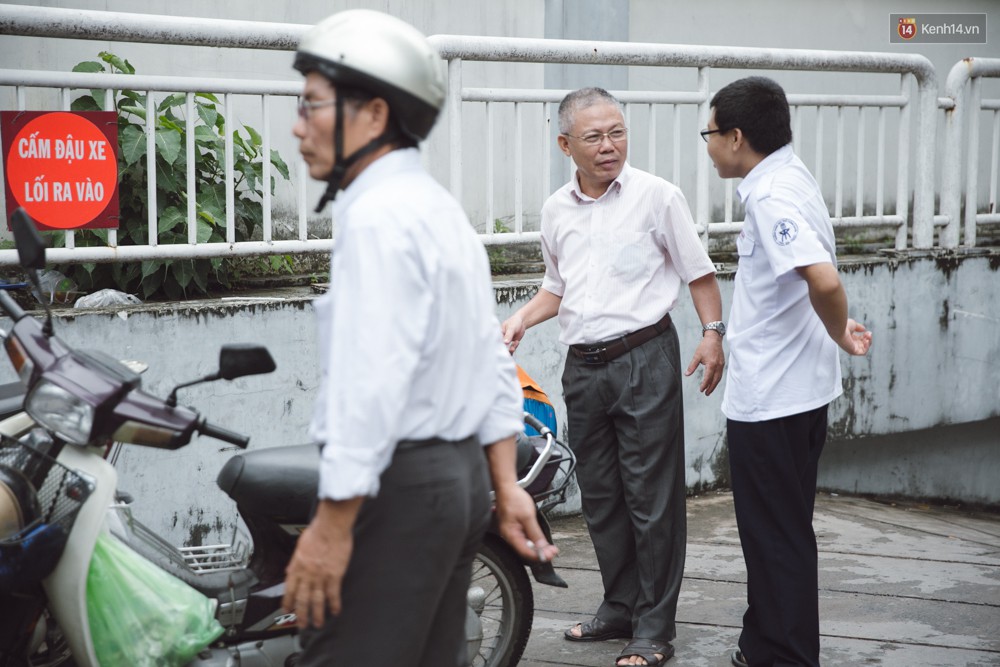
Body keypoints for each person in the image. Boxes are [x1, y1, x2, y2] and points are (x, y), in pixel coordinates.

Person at [279, 10, 557, 667]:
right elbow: (489, 355)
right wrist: (502, 482)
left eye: (311, 104)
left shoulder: (377, 218)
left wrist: (331, 524)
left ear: (373, 115)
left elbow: (369, 384)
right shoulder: (435, 207)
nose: (297, 125)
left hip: (397, 487)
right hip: (458, 479)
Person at [502, 87, 726, 667]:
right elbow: (559, 286)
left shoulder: (658, 197)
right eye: (595, 137)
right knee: (602, 496)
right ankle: (620, 606)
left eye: (618, 132)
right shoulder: (556, 210)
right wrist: (522, 317)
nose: (609, 146)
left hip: (645, 356)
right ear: (565, 144)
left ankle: (654, 629)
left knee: (651, 499)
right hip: (585, 368)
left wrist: (712, 333)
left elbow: (698, 274)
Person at [702, 76, 873, 667]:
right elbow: (813, 278)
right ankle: (765, 641)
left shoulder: (771, 195)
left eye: (710, 132)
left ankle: (787, 655)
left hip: (772, 399)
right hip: (798, 391)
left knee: (775, 535)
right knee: (780, 529)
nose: (709, 144)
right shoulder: (787, 176)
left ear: (737, 136)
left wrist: (834, 328)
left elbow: (822, 279)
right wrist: (838, 329)